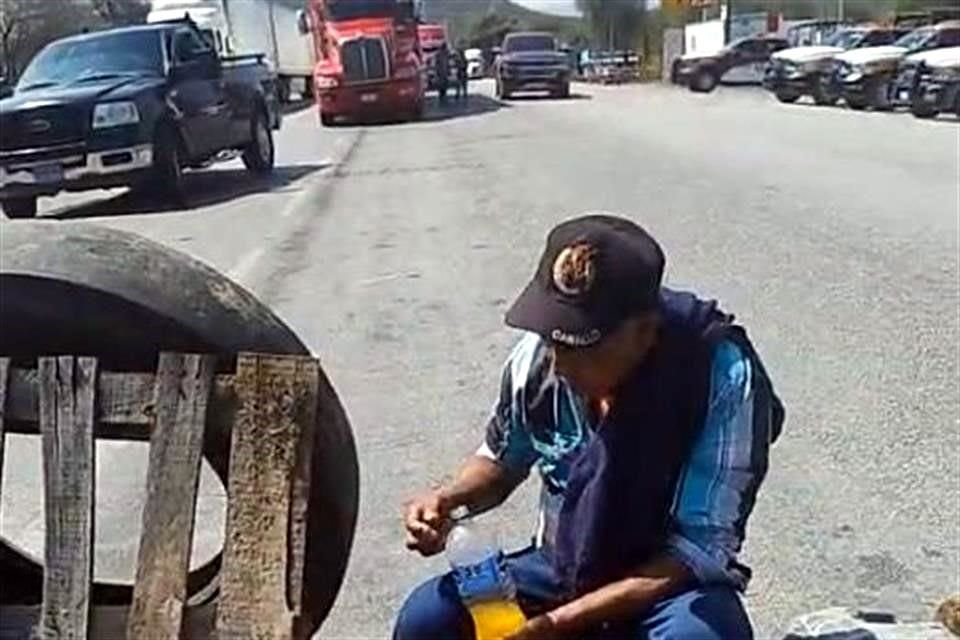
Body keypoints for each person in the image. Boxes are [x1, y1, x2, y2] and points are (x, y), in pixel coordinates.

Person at [394, 213, 785, 640]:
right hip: (561, 565)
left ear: (644, 332)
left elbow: (702, 549)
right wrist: (447, 498)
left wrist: (558, 625)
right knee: (427, 617)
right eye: (555, 340)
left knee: (701, 636)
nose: (560, 363)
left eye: (585, 346)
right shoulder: (538, 359)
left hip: (662, 582)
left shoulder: (720, 375)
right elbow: (502, 461)